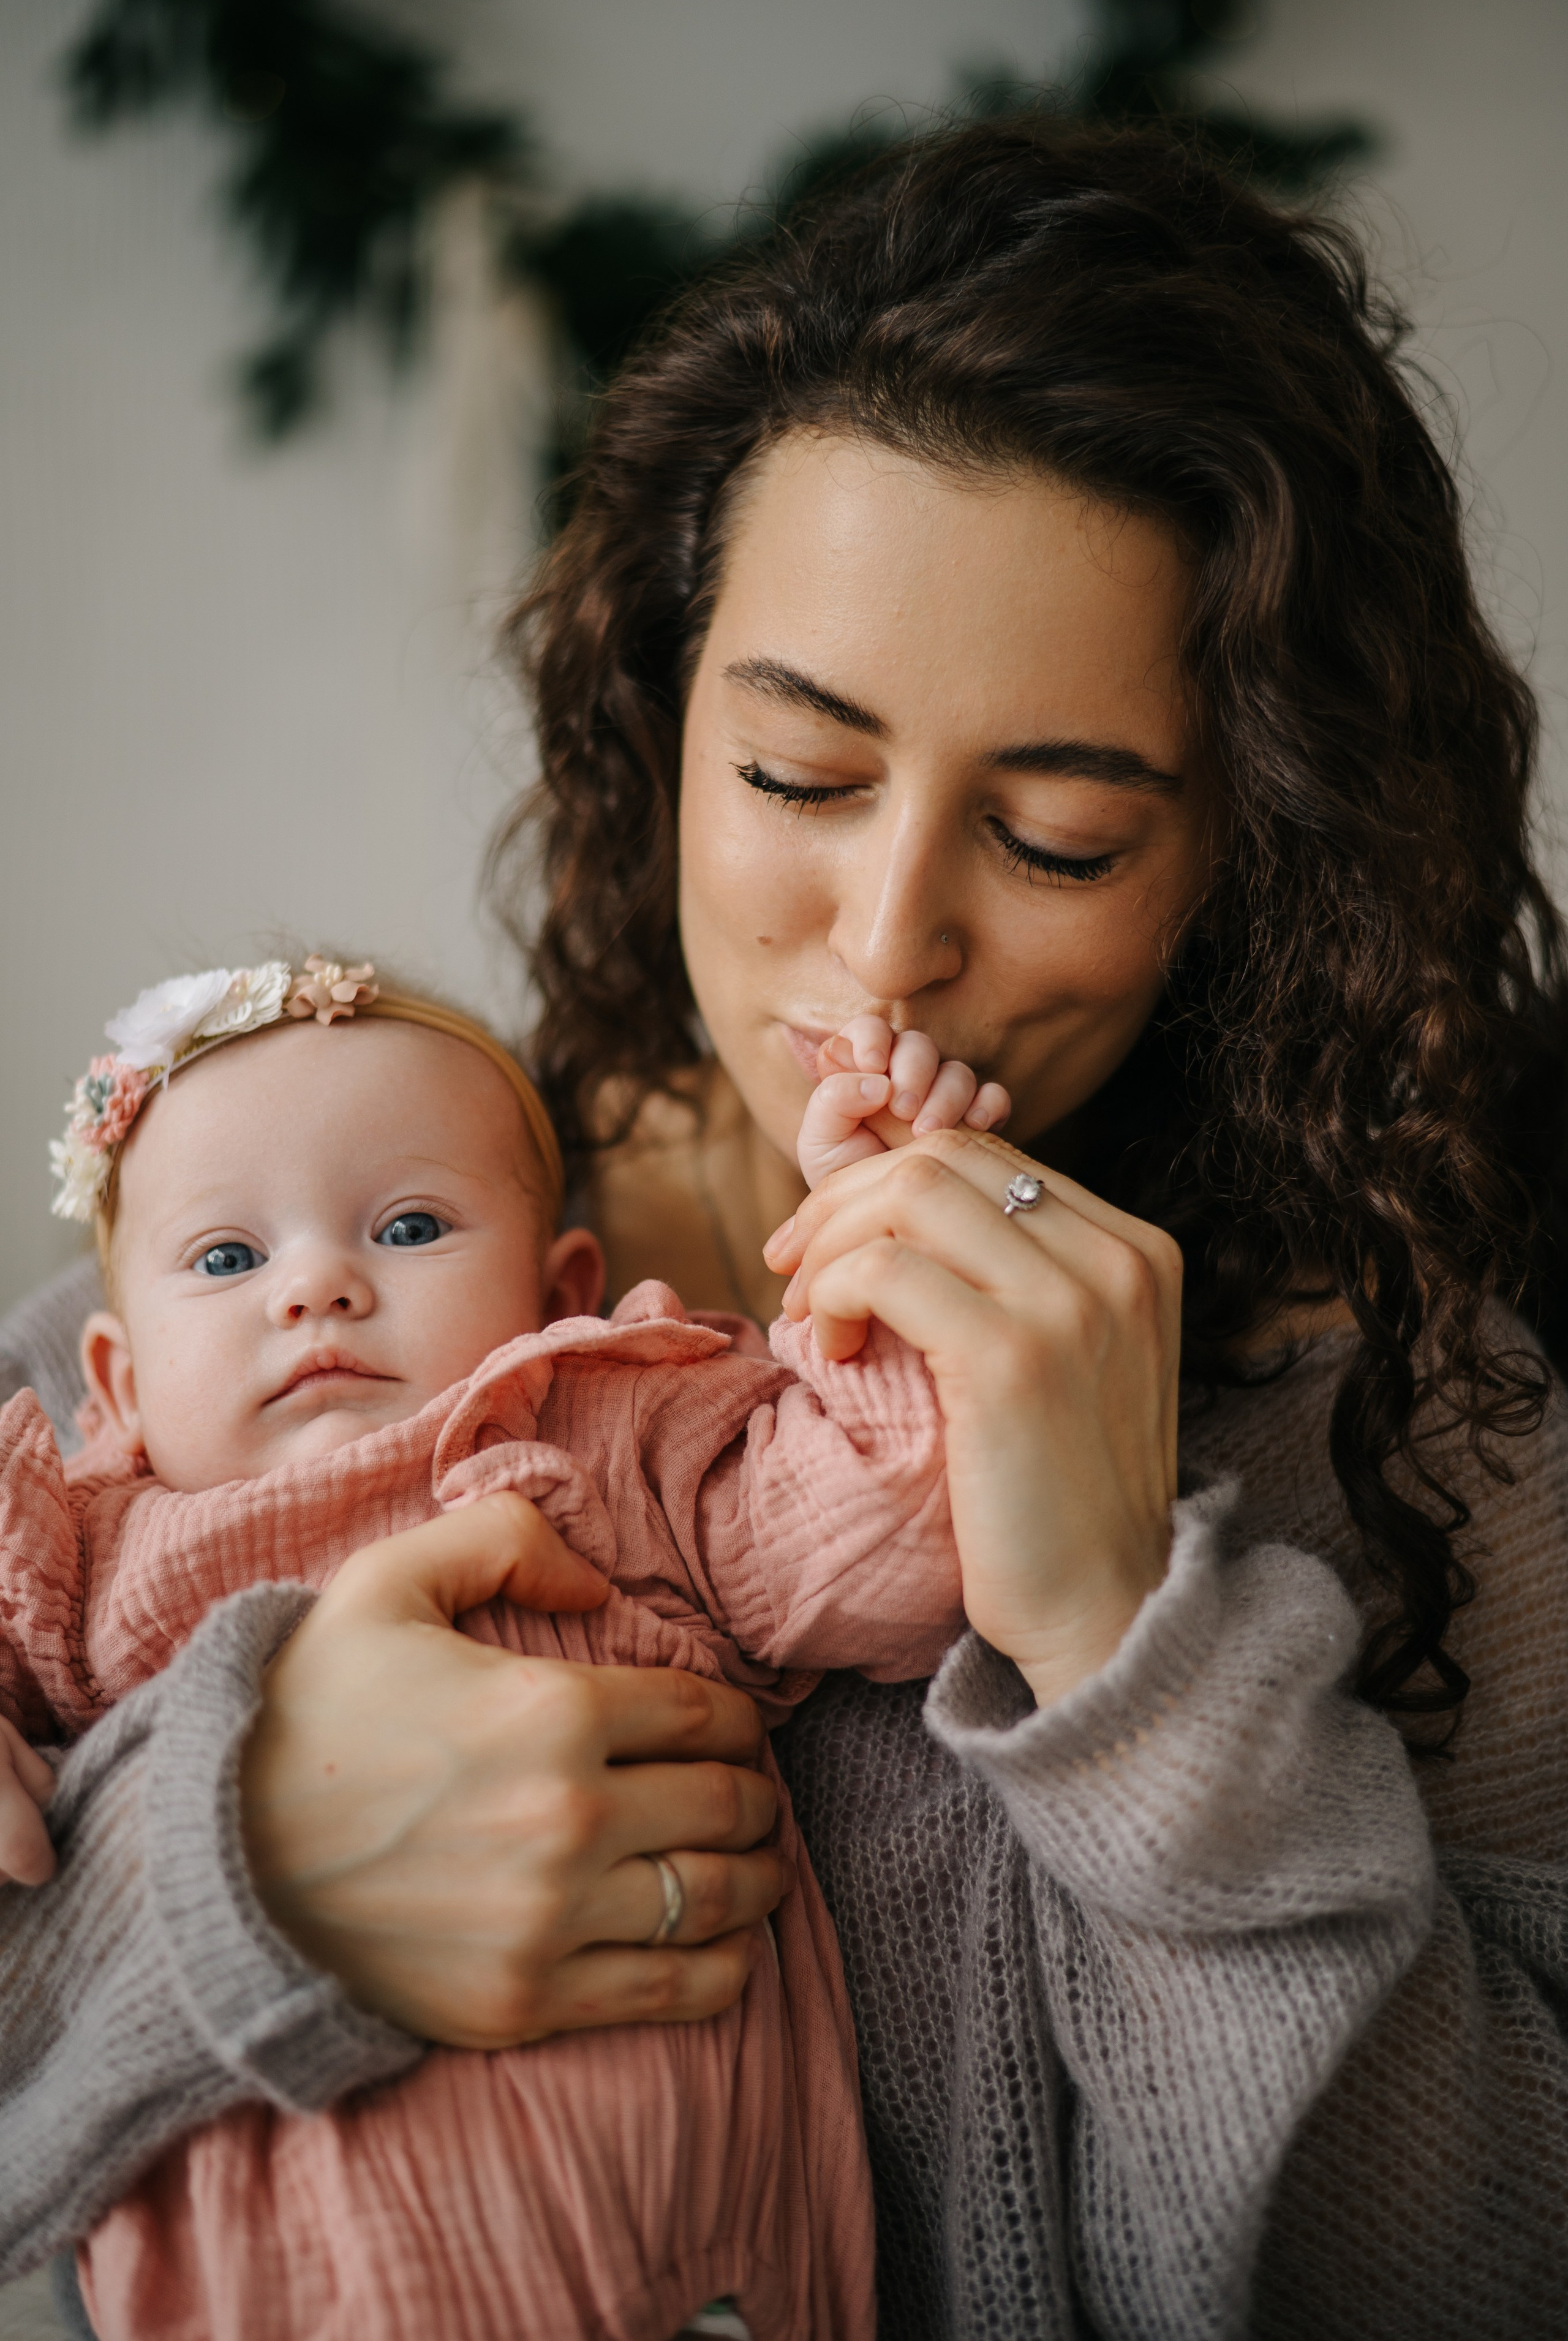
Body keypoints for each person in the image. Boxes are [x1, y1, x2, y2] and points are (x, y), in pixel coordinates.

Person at [2, 115, 1566, 2340]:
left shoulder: (1426, 1429)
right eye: (803, 778)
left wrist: (1145, 1648)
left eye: (1053, 833)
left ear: (1249, 852)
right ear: (662, 712)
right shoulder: (237, 1303)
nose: (892, 935)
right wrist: (230, 1877)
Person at [1, 959, 1005, 2341]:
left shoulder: (607, 1430)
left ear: (556, 1290)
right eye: (229, 1259)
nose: (318, 1288)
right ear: (115, 1382)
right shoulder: (81, 1551)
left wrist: (874, 1242)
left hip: (681, 2272)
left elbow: (892, 1545)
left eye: (408, 1225)